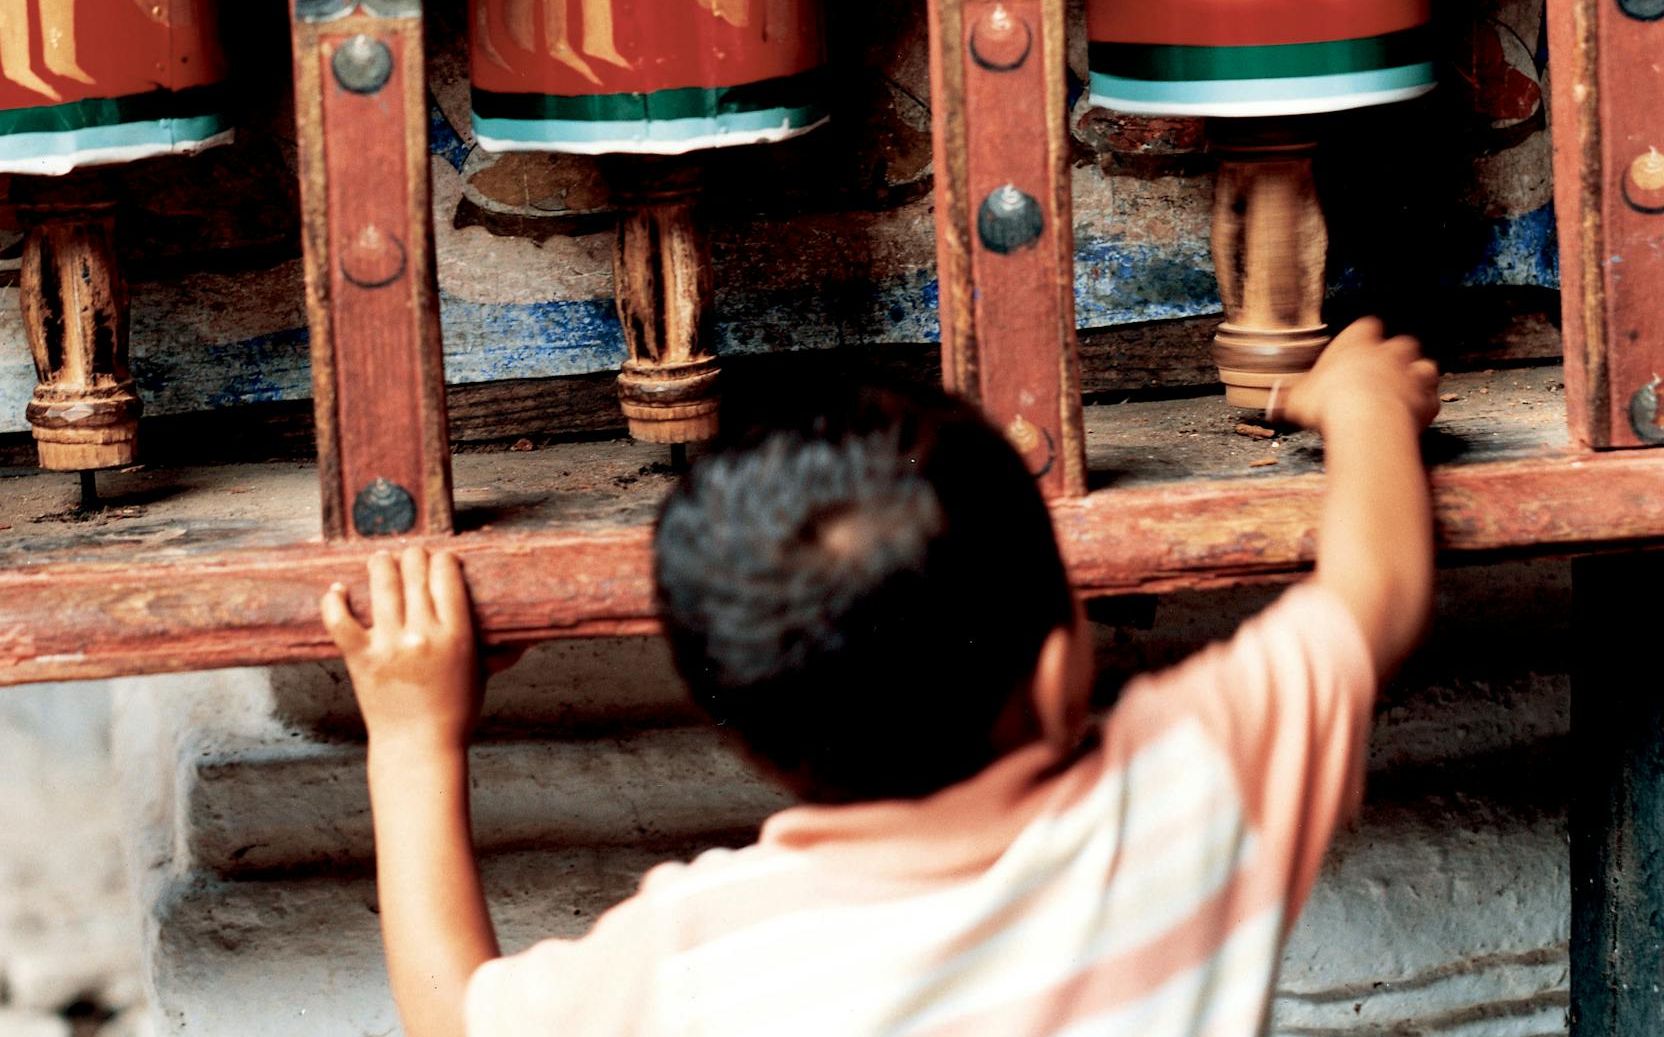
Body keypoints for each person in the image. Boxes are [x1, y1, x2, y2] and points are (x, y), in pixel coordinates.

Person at [322, 316, 1439, 1037]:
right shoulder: (1186, 792)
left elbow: (454, 1018)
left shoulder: (700, 958)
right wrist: (1361, 403)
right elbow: (1373, 589)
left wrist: (415, 731)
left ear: (742, 724)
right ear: (1058, 674)